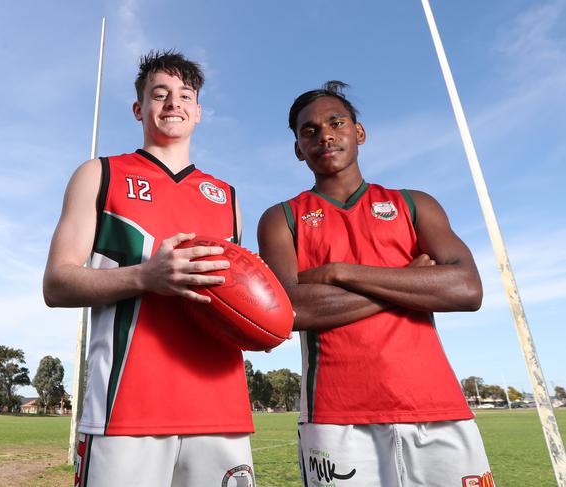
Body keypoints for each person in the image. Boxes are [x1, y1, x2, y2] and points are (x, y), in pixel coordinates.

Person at [257, 81, 495, 487]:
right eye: (309, 130)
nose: (325, 134)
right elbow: (289, 311)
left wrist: (339, 272)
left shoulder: (414, 203)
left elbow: (467, 289)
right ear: (298, 148)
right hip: (334, 417)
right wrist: (410, 281)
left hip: (436, 408)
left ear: (359, 132)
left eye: (336, 122)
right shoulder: (281, 218)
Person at [43, 50, 255, 487]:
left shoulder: (227, 196)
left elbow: (233, 300)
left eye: (184, 95)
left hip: (222, 410)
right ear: (140, 108)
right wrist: (145, 276)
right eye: (160, 94)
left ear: (197, 111)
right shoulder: (99, 173)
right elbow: (56, 283)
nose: (173, 103)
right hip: (125, 410)